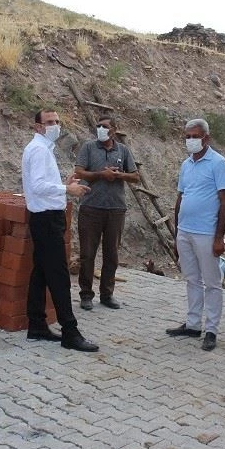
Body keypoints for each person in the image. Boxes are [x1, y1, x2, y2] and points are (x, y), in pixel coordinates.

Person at [22, 109, 99, 352]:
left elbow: (43, 184)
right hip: (46, 219)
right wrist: (67, 191)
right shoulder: (38, 150)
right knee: (58, 275)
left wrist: (63, 185)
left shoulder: (43, 149)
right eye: (49, 122)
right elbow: (37, 185)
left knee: (41, 273)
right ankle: (70, 332)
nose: (55, 126)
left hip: (45, 217)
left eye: (57, 121)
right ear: (37, 126)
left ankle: (36, 325)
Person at [166, 118, 225, 351]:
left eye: (195, 136)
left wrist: (218, 237)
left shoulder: (218, 163)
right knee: (191, 279)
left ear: (206, 138)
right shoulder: (186, 164)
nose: (191, 140)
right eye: (187, 136)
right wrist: (176, 233)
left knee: (212, 283)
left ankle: (211, 329)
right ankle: (193, 324)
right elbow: (180, 198)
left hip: (206, 232)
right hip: (185, 231)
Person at [74, 116, 139, 310]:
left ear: (114, 130)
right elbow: (79, 172)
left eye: (105, 126)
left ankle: (107, 294)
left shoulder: (123, 150)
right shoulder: (88, 147)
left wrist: (119, 175)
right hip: (91, 207)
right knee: (87, 253)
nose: (101, 129)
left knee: (111, 254)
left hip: (115, 209)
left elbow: (135, 176)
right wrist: (101, 175)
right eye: (99, 126)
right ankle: (86, 295)